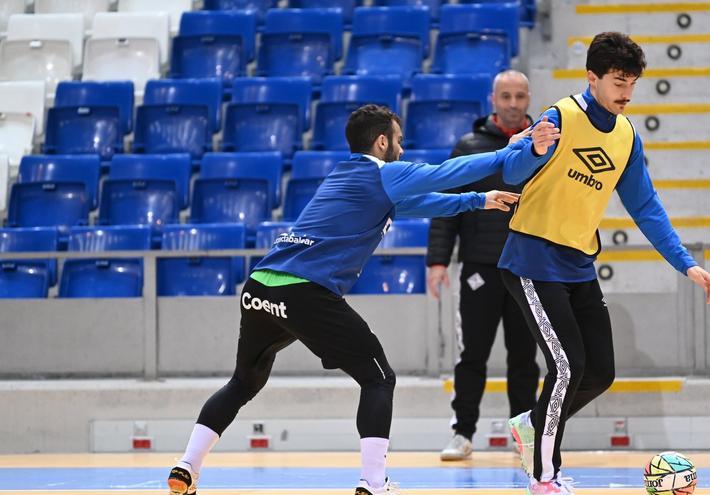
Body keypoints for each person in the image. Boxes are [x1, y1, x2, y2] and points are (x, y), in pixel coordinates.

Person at [165, 104, 560, 495]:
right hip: (305, 290)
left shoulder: (345, 176)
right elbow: (446, 172)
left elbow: (421, 202)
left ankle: (187, 466)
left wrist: (480, 200)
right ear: (382, 141)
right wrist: (510, 150)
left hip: (260, 288)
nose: (402, 150)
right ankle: (372, 483)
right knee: (379, 378)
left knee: (242, 382)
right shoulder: (384, 174)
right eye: (399, 142)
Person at [497, 33, 710, 495]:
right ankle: (545, 477)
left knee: (599, 372)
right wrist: (534, 148)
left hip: (578, 263)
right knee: (566, 368)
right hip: (532, 259)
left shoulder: (625, 136)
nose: (626, 93)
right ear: (592, 77)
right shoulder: (561, 116)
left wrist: (685, 263)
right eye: (618, 81)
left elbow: (647, 207)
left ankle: (532, 425)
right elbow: (512, 173)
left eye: (632, 83)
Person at [426, 70, 540, 461]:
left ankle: (525, 436)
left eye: (519, 96)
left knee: (524, 357)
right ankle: (462, 432)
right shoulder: (469, 146)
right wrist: (438, 261)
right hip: (479, 268)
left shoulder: (545, 146)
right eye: (505, 96)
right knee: (471, 354)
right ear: (493, 99)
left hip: (529, 268)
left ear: (528, 98)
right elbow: (445, 207)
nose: (512, 103)